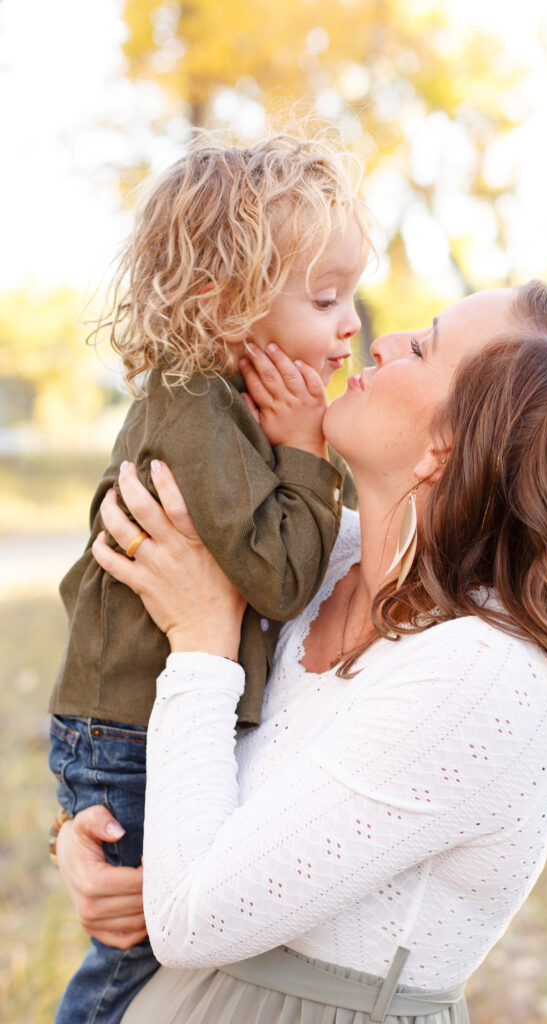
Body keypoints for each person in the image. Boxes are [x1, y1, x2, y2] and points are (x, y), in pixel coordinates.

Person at [55, 282, 547, 1023]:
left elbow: (194, 922)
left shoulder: (483, 674)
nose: (381, 340)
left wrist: (203, 640)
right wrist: (88, 844)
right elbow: (188, 802)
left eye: (423, 346)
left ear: (445, 447)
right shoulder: (305, 557)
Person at [47, 131, 371, 1023]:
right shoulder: (194, 412)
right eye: (323, 297)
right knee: (134, 964)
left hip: (135, 726)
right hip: (128, 735)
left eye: (351, 293)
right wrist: (307, 447)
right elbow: (277, 579)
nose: (351, 322)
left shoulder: (221, 409)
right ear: (225, 307)